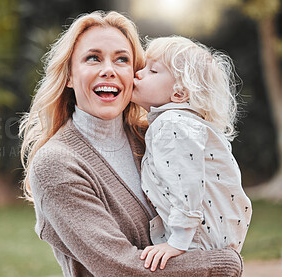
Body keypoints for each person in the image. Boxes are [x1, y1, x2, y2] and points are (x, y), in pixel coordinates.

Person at [20, 11, 243, 276]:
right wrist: (223, 264)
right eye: (93, 58)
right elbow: (122, 269)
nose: (108, 70)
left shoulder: (156, 137)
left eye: (122, 60)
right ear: (69, 76)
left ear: (133, 73)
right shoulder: (57, 164)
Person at [131, 35, 252, 272]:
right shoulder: (184, 123)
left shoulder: (172, 125)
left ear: (179, 94)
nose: (138, 73)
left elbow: (186, 186)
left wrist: (177, 242)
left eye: (153, 71)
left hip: (195, 244)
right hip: (207, 241)